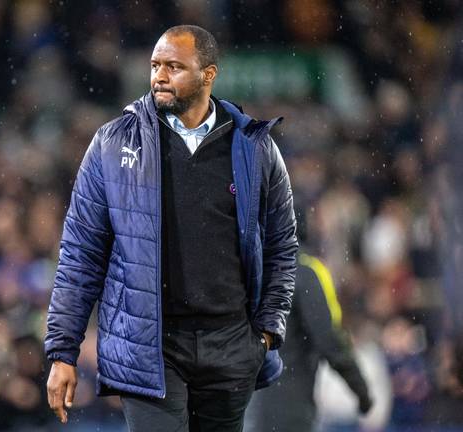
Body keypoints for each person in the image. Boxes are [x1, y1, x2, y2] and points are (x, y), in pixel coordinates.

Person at [45, 25, 297, 432]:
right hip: (151, 346)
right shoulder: (111, 145)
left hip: (232, 345)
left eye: (174, 67)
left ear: (208, 74)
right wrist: (62, 351)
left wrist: (266, 332)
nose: (159, 76)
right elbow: (80, 254)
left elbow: (283, 245)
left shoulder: (254, 146)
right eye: (155, 65)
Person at [245, 251, 372, 432]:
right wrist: (362, 391)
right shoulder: (302, 274)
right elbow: (328, 340)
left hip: (243, 406)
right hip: (286, 408)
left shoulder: (245, 272)